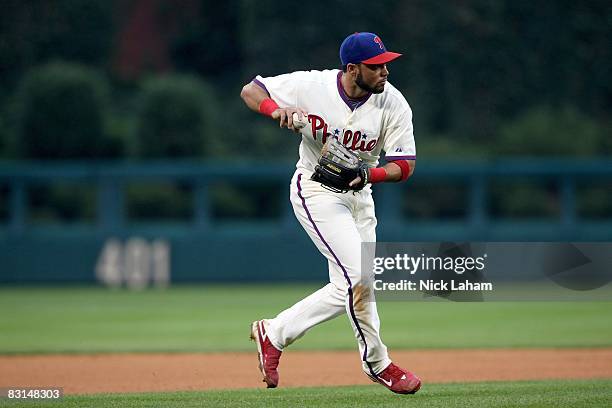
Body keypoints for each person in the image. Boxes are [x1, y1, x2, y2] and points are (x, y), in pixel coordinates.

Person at [240, 32, 420, 395]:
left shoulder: (394, 104)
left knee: (354, 285)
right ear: (353, 69)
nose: (385, 71)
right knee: (359, 277)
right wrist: (276, 110)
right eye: (376, 66)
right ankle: (379, 364)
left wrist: (370, 174)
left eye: (386, 64)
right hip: (316, 189)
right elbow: (251, 90)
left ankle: (274, 332)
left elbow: (405, 164)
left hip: (360, 194)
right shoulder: (312, 85)